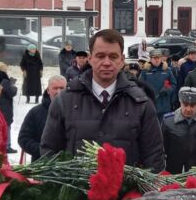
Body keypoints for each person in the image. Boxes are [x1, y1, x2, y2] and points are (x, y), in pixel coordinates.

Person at [40, 29, 165, 171]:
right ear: (90, 58)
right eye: (100, 56)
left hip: (126, 192)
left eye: (113, 56)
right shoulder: (65, 101)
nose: (106, 62)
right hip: (77, 191)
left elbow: (154, 157)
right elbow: (49, 152)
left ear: (122, 60)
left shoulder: (141, 104)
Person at [18, 75, 67, 161]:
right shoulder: (35, 112)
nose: (59, 92)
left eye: (62, 88)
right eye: (55, 88)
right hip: (41, 166)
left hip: (70, 166)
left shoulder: (75, 111)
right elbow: (23, 138)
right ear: (48, 90)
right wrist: (43, 151)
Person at [161, 87, 196, 174]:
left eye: (192, 105)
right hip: (173, 166)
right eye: (185, 104)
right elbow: (162, 146)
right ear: (180, 103)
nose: (188, 109)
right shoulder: (168, 121)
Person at [139, 48, 177, 121]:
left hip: (164, 105)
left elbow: (173, 84)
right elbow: (140, 87)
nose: (157, 60)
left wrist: (167, 89)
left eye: (158, 58)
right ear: (150, 59)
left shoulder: (167, 70)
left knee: (163, 128)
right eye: (154, 58)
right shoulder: (145, 71)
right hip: (150, 105)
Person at [0, 62, 18, 154]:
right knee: (6, 125)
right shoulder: (4, 80)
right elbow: (11, 93)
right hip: (5, 106)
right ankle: (7, 145)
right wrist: (13, 86)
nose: (6, 71)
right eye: (5, 69)